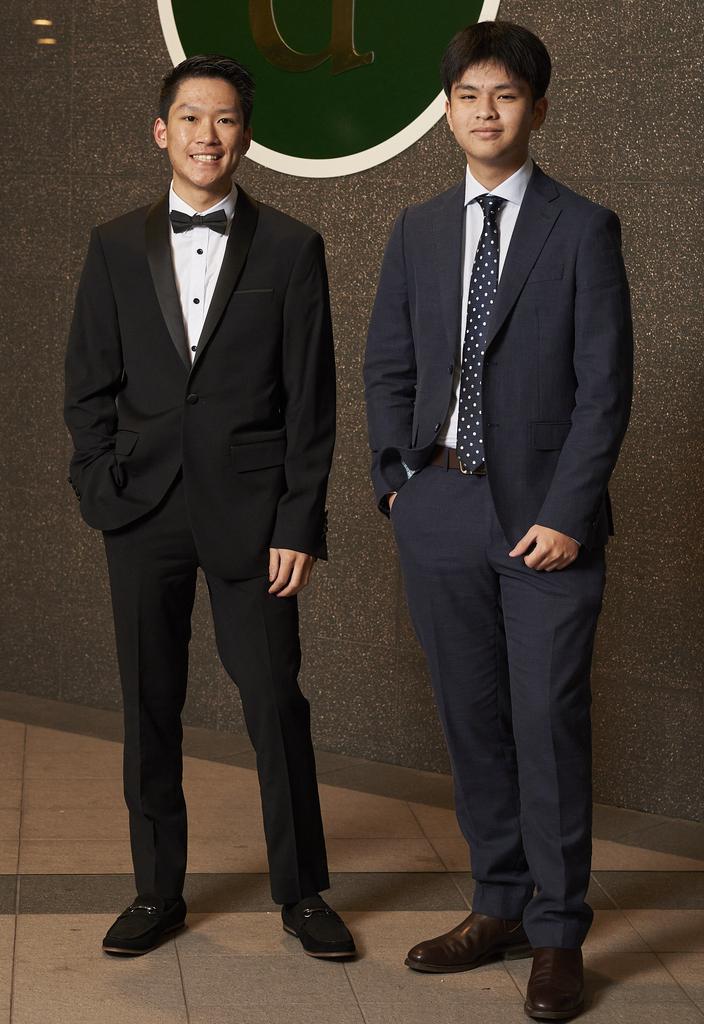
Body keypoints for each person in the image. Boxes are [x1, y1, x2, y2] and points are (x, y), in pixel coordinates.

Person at [364, 21, 632, 1021]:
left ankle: (560, 933)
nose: (486, 110)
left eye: (507, 95)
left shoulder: (583, 227)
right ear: (447, 109)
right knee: (473, 721)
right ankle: (500, 903)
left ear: (539, 109)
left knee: (546, 723)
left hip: (546, 525)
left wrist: (568, 512)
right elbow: (388, 362)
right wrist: (398, 483)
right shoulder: (416, 227)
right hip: (439, 507)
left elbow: (606, 386)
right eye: (470, 94)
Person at [64, 54, 354, 961]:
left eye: (225, 120)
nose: (207, 136)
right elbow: (87, 386)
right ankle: (158, 889)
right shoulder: (113, 245)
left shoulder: (292, 248)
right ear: (162, 131)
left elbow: (313, 403)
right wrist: (98, 484)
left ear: (246, 135)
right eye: (190, 118)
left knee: (275, 702)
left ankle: (303, 892)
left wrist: (299, 521)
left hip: (254, 517)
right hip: (141, 510)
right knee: (150, 702)